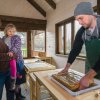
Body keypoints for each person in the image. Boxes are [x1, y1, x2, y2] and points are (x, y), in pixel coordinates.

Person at [59, 2, 100, 90]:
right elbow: (75, 50)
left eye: (81, 18)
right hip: (91, 67)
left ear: (90, 14)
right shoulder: (82, 32)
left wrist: (89, 76)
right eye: (77, 20)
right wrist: (66, 68)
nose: (80, 22)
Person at [2, 23, 26, 100]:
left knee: (18, 79)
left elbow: (17, 46)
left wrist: (12, 51)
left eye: (13, 31)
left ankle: (18, 95)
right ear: (6, 31)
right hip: (8, 61)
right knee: (12, 79)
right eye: (9, 31)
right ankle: (16, 94)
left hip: (18, 60)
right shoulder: (3, 39)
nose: (11, 33)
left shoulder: (17, 37)